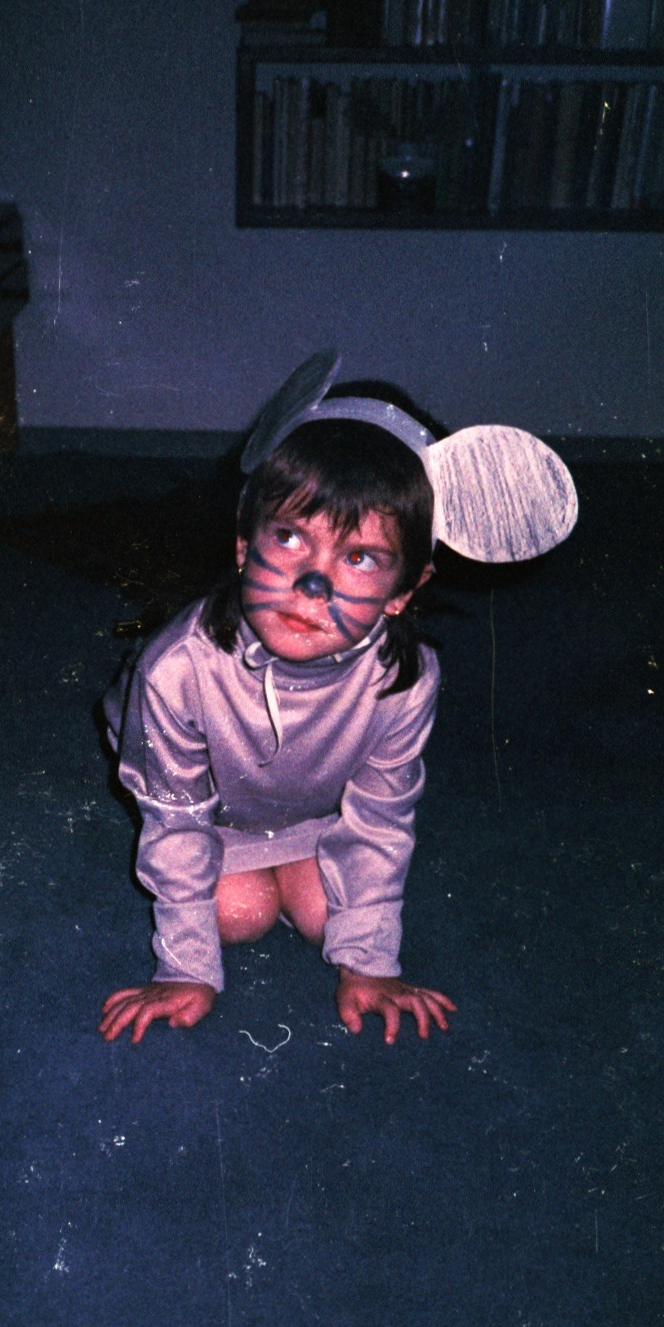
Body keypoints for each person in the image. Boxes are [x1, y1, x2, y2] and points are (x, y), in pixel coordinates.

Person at [99, 393, 456, 1048]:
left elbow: (381, 816)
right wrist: (186, 968)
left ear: (404, 592)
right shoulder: (175, 670)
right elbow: (175, 818)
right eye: (289, 537)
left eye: (359, 557)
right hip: (207, 806)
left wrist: (369, 962)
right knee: (239, 914)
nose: (311, 584)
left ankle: (296, 860)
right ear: (243, 545)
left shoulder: (405, 680)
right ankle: (265, 866)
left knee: (332, 920)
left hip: (308, 804)